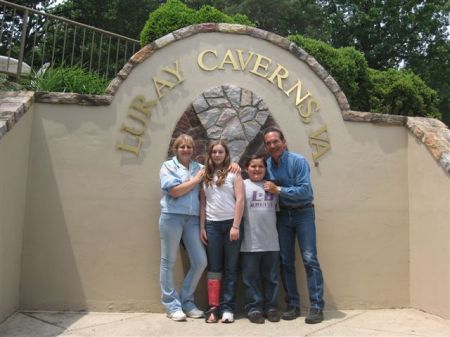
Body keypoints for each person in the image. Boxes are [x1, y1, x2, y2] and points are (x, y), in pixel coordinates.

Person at [263, 127, 325, 324]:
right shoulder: (267, 164)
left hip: (303, 213)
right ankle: (293, 305)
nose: (272, 145)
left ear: (284, 142)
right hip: (283, 216)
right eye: (269, 143)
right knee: (285, 261)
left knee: (309, 259)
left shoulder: (298, 161)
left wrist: (278, 189)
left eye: (275, 141)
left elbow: (306, 191)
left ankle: (316, 306)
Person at [159, 134, 207, 321]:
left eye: (189, 147)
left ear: (193, 149)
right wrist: (196, 180)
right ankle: (171, 305)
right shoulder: (168, 166)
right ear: (176, 149)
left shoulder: (199, 167)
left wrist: (234, 166)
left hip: (193, 219)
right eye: (182, 147)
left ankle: (187, 301)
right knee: (168, 261)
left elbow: (218, 170)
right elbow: (174, 191)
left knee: (201, 261)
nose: (186, 150)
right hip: (171, 217)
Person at [200, 140, 244, 324]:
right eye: (214, 152)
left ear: (226, 154)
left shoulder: (234, 173)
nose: (217, 155)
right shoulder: (204, 175)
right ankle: (213, 308)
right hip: (212, 226)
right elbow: (203, 203)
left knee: (231, 268)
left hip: (230, 226)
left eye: (221, 152)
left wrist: (235, 226)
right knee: (214, 268)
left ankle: (228, 308)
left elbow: (240, 199)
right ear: (210, 155)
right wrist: (202, 226)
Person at [240, 154, 280, 324]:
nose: (257, 169)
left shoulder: (272, 187)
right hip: (249, 242)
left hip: (271, 241)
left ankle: (271, 307)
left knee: (271, 278)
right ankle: (254, 308)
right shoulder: (242, 185)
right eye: (253, 166)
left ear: (266, 169)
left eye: (260, 167)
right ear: (246, 169)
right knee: (250, 278)